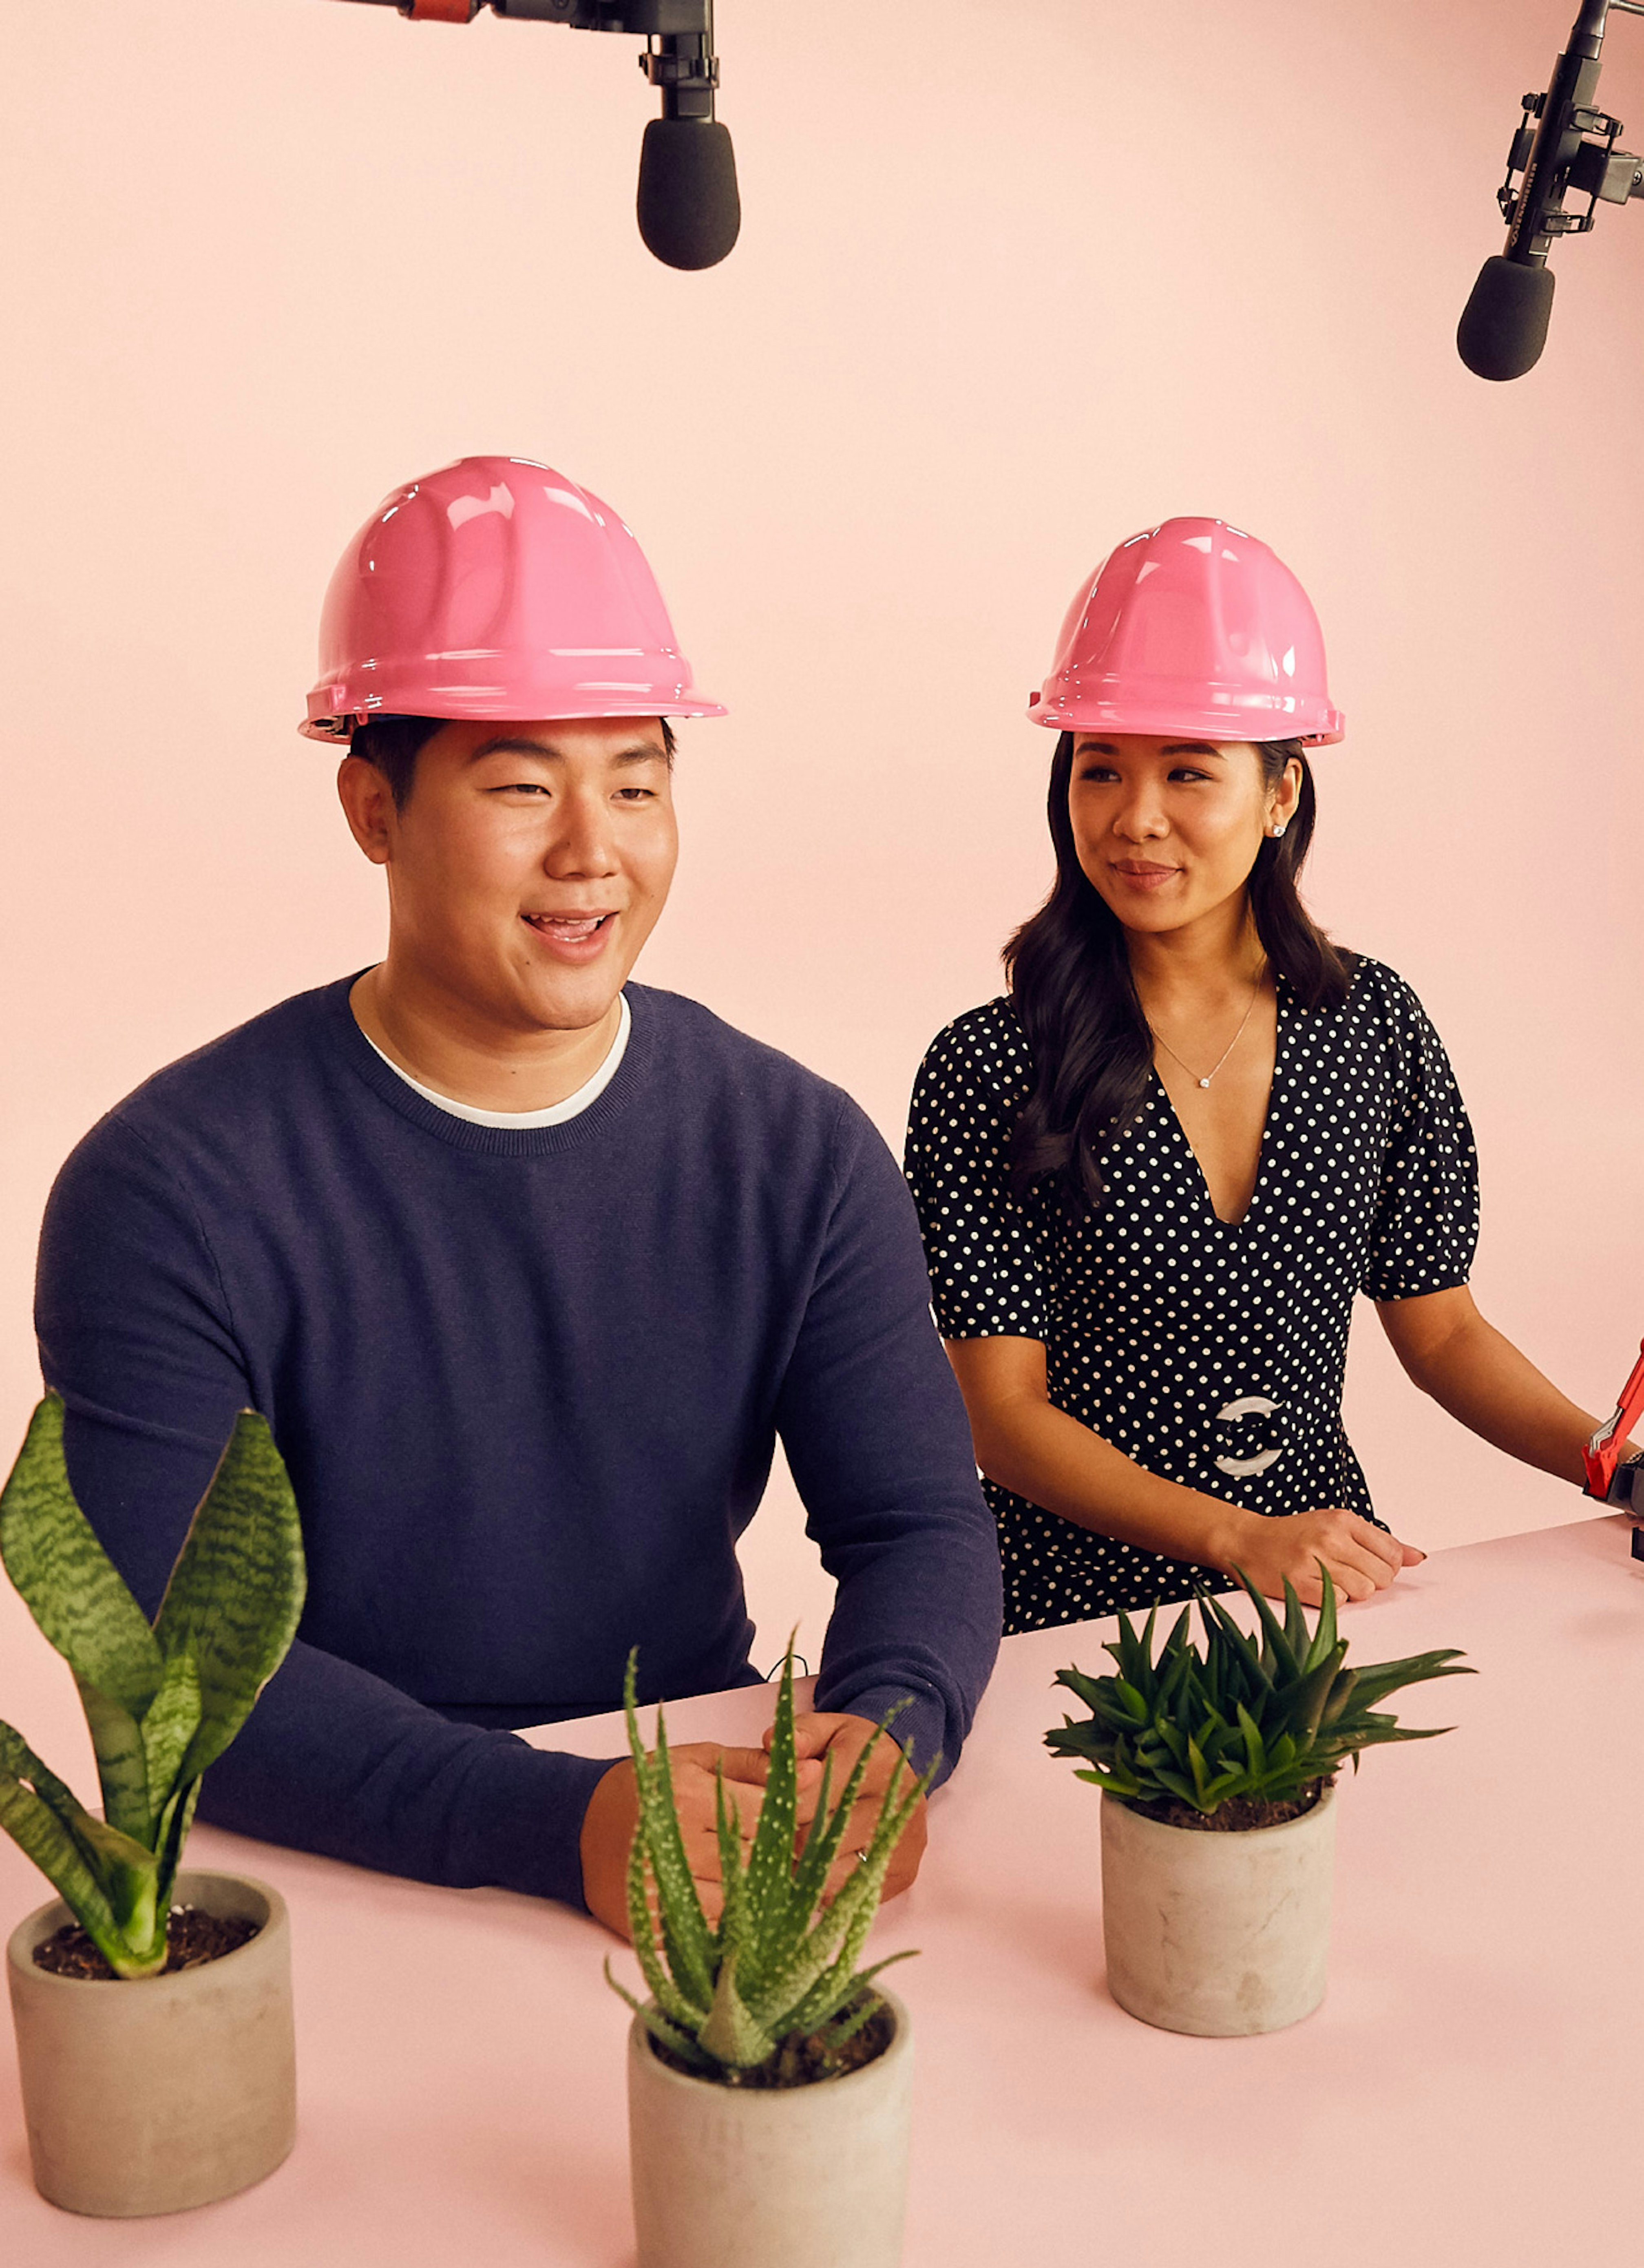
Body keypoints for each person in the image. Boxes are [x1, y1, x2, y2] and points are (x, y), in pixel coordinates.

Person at [35, 454, 1002, 1931]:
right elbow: (179, 1677)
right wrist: (558, 1824)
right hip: (328, 1868)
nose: (590, 850)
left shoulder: (796, 1149)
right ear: (373, 806)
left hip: (689, 1803)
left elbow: (922, 1525)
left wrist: (889, 1738)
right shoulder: (166, 1191)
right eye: (520, 784)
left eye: (634, 780)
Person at [906, 515, 1624, 1632]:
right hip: (1071, 1628)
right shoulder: (990, 1065)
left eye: (1189, 771)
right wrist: (1235, 1538)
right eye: (1101, 770)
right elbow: (1000, 1414)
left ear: (1280, 794)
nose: (1135, 819)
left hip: (1320, 1602)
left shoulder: (1372, 1023)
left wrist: (1606, 1459)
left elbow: (1442, 1334)